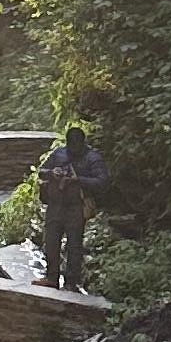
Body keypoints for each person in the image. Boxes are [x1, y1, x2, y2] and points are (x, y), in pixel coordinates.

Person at [36, 123, 106, 289]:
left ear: (83, 143)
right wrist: (52, 173)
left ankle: (71, 282)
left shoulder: (92, 158)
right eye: (71, 145)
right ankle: (51, 277)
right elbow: (41, 171)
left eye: (77, 145)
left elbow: (102, 181)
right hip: (55, 205)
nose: (74, 149)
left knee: (74, 246)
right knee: (51, 242)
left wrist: (78, 179)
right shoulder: (59, 154)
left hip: (76, 207)